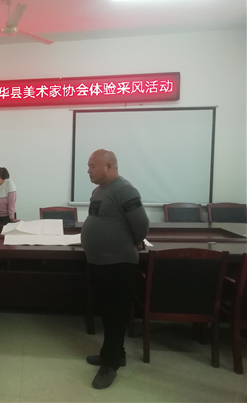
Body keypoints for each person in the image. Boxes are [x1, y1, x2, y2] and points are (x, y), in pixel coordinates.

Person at [80, 149, 149, 390]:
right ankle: (115, 354)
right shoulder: (99, 190)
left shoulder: (124, 189)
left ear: (109, 166)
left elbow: (141, 224)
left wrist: (135, 241)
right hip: (99, 262)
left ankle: (110, 365)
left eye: (92, 166)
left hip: (118, 264)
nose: (88, 170)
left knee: (116, 314)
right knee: (108, 313)